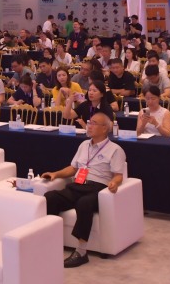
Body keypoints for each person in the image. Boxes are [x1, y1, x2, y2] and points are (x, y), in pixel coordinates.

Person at [41, 112, 125, 268]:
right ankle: (49, 242)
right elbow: (73, 168)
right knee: (50, 197)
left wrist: (114, 183)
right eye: (89, 122)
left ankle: (81, 252)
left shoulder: (115, 149)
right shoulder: (83, 145)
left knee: (84, 203)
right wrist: (55, 174)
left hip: (97, 188)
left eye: (93, 123)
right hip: (78, 185)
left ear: (104, 128)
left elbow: (118, 175)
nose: (89, 126)